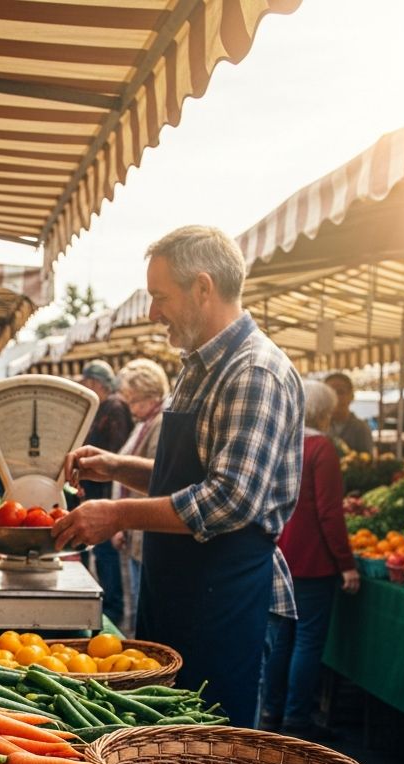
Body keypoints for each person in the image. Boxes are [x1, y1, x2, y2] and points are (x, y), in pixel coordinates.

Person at [53, 225, 304, 727]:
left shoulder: (254, 372)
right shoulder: (197, 368)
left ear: (203, 289)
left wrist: (117, 512)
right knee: (159, 743)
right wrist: (118, 466)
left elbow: (228, 499)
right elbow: (187, 476)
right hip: (177, 592)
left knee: (209, 759)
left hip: (227, 603)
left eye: (160, 297)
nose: (152, 313)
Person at [259, 380, 359, 739]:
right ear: (324, 411)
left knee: (281, 639)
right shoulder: (322, 448)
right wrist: (346, 563)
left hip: (280, 554)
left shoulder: (282, 444)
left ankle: (270, 712)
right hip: (314, 561)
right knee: (307, 642)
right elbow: (331, 513)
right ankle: (296, 719)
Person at [109, 358, 170, 634]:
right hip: (133, 529)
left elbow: (157, 476)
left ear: (153, 395)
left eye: (136, 401)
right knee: (133, 598)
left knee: (140, 603)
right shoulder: (144, 423)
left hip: (144, 530)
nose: (132, 409)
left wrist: (119, 517)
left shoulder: (160, 423)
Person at [77, 359, 134, 626]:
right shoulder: (105, 406)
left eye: (87, 383)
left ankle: (113, 613)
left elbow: (114, 455)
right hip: (97, 494)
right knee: (101, 557)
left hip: (106, 498)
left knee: (107, 559)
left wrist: (100, 470)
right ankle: (110, 608)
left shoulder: (114, 406)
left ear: (96, 383)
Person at [324, 372, 373, 454]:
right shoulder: (319, 427)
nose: (335, 397)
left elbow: (367, 461)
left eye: (340, 392)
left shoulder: (361, 429)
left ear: (352, 396)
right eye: (330, 392)